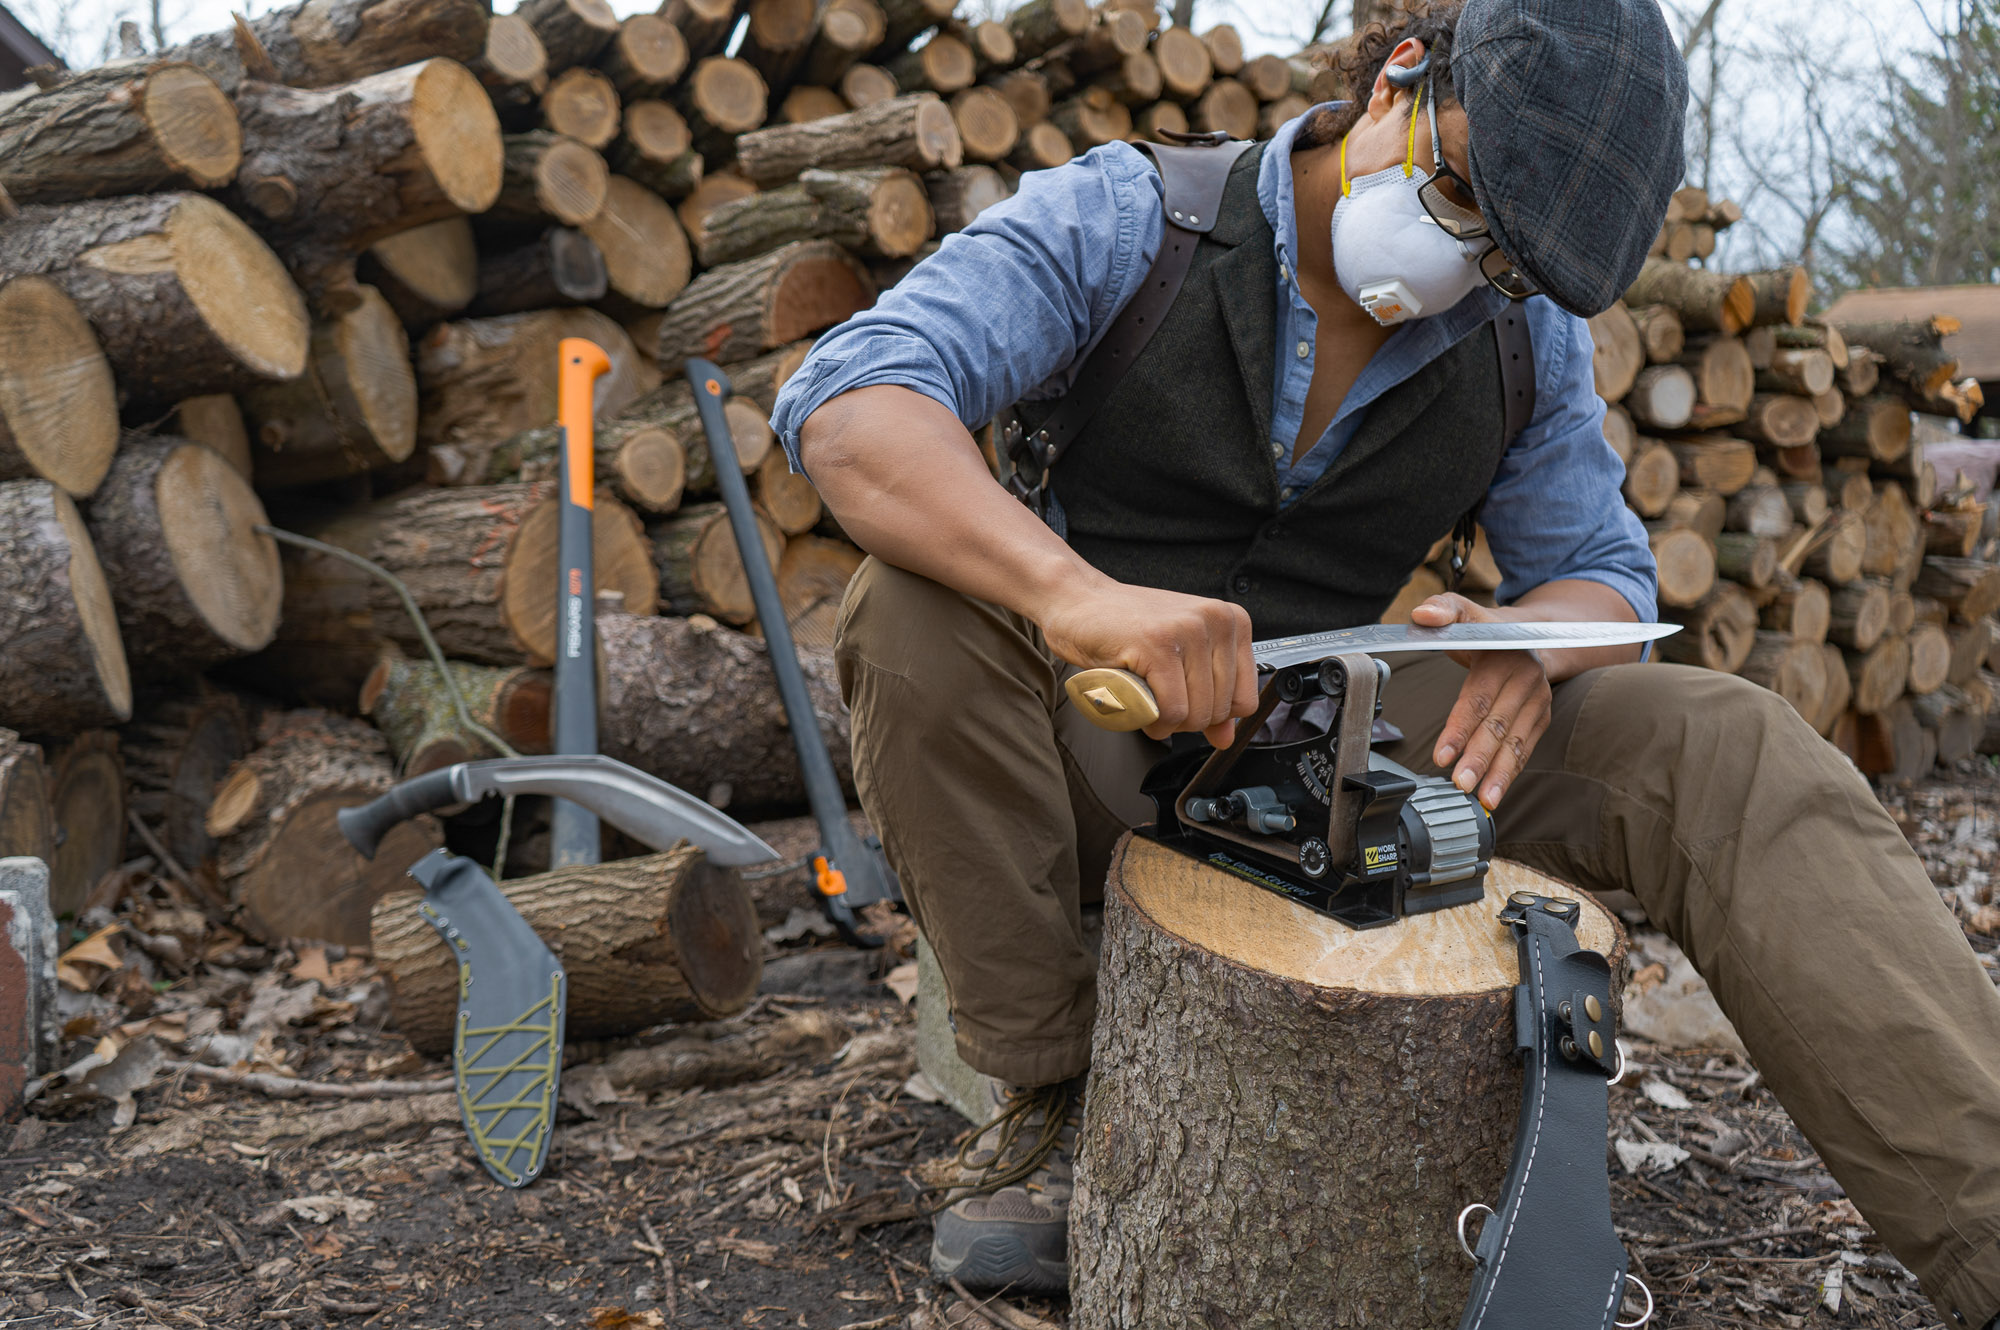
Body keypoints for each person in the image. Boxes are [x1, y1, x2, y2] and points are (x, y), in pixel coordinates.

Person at [769, 0, 2000, 1320]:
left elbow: (1607, 577)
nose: (1466, 254)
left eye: (1508, 257)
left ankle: (1983, 1224)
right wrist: (1074, 599)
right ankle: (1058, 1098)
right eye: (1462, 192)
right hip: (1086, 737)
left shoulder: (1521, 338)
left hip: (1319, 757)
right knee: (908, 615)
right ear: (1400, 77)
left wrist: (1532, 646)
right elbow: (849, 403)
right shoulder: (1136, 220)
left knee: (1722, 742)